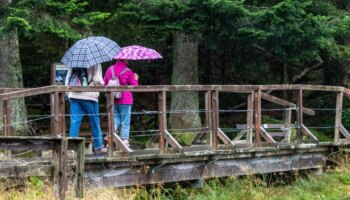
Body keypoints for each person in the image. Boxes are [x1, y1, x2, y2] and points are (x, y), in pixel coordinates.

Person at [65, 64, 108, 155]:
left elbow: (68, 78)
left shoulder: (74, 61)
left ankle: (72, 149)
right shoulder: (95, 63)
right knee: (94, 122)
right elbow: (97, 80)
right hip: (89, 95)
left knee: (74, 122)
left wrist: (68, 94)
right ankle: (98, 147)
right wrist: (103, 84)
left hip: (74, 94)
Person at [104, 59, 139, 147]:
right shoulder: (128, 71)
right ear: (125, 60)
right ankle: (125, 140)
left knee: (115, 119)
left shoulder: (109, 69)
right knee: (125, 120)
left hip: (113, 98)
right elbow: (134, 86)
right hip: (126, 99)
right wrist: (136, 79)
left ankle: (109, 136)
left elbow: (105, 83)